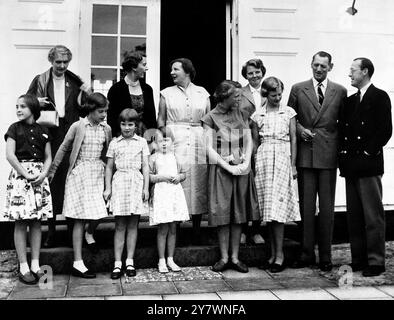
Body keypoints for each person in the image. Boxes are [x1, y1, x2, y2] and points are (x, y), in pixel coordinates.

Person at [27, 45, 92, 248]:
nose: (62, 66)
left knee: (71, 178)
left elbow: (84, 109)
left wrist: (86, 94)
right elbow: (26, 103)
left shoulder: (74, 81)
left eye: (65, 62)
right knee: (52, 179)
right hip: (49, 134)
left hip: (70, 132)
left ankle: (74, 229)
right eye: (58, 62)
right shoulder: (41, 80)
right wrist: (37, 101)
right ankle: (52, 230)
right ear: (51, 61)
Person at [288, 51, 347, 271]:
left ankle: (325, 256)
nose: (319, 69)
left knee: (327, 207)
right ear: (310, 65)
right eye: (315, 65)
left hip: (329, 154)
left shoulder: (340, 91)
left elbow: (344, 123)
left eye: (323, 66)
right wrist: (301, 129)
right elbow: (290, 118)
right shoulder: (298, 88)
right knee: (306, 205)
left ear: (330, 67)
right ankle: (306, 253)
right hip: (305, 154)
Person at [48, 93, 112, 279]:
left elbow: (109, 154)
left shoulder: (106, 129)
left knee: (101, 211)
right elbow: (63, 147)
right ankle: (78, 262)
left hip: (98, 173)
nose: (104, 115)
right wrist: (53, 170)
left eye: (105, 111)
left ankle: (90, 233)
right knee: (79, 218)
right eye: (100, 111)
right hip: (79, 173)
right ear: (90, 110)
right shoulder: (78, 126)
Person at [338, 58, 392, 277]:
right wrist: (343, 156)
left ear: (365, 72)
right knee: (354, 216)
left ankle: (376, 261)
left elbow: (385, 130)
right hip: (351, 165)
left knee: (372, 216)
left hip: (368, 165)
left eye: (353, 71)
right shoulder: (350, 102)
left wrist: (369, 152)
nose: (349, 75)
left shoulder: (379, 97)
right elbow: (343, 132)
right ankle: (358, 259)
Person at [201, 80, 260, 273]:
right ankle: (224, 257)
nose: (239, 99)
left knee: (238, 215)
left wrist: (246, 163)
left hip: (241, 169)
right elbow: (209, 148)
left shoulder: (241, 113)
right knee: (223, 215)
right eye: (236, 96)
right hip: (221, 171)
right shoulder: (210, 117)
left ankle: (235, 257)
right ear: (224, 97)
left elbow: (249, 140)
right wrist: (228, 167)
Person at [157, 58, 210, 245]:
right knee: (177, 182)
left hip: (198, 141)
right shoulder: (166, 93)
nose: (171, 73)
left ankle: (197, 229)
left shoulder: (202, 93)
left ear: (187, 71)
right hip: (175, 141)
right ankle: (175, 230)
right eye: (171, 69)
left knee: (198, 183)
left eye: (175, 69)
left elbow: (207, 122)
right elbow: (161, 121)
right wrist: (167, 144)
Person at [251, 77, 300, 273]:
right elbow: (255, 144)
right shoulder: (257, 115)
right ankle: (271, 255)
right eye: (274, 95)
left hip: (281, 158)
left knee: (278, 210)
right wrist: (255, 165)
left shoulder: (288, 112)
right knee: (268, 212)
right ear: (265, 94)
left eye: (280, 94)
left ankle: (280, 256)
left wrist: (293, 165)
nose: (278, 97)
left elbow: (294, 139)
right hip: (264, 160)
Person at [2, 94, 53, 284]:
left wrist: (43, 174)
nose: (18, 109)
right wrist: (25, 173)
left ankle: (35, 264)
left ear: (33, 108)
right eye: (16, 106)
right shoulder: (14, 129)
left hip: (39, 177)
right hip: (21, 178)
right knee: (21, 222)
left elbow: (48, 156)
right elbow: (10, 155)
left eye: (22, 106)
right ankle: (23, 266)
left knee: (37, 222)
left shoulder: (44, 130)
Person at [103, 108, 150, 279]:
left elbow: (145, 166)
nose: (127, 128)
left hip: (136, 183)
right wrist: (108, 188)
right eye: (123, 124)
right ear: (119, 125)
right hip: (120, 183)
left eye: (130, 124)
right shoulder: (115, 143)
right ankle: (117, 263)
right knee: (120, 225)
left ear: (136, 125)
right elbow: (109, 167)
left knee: (133, 225)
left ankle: (129, 261)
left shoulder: (142, 142)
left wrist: (145, 188)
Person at [149, 130, 190, 273]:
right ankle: (161, 260)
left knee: (173, 228)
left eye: (167, 140)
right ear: (155, 143)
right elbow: (149, 177)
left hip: (174, 194)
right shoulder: (153, 158)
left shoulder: (176, 157)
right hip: (161, 194)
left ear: (172, 142)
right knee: (163, 228)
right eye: (160, 141)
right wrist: (161, 177)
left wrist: (179, 177)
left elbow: (184, 174)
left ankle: (170, 258)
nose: (164, 144)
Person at [239, 58, 267, 245]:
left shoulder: (269, 91)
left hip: (265, 144)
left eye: (257, 72)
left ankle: (256, 229)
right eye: (250, 73)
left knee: (259, 187)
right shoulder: (240, 93)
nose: (254, 76)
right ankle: (242, 230)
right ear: (246, 75)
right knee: (244, 187)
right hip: (246, 143)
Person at [107, 50, 157, 139]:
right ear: (134, 67)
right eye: (144, 65)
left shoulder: (147, 89)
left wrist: (153, 138)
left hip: (144, 138)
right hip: (122, 138)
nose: (147, 68)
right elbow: (111, 118)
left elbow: (151, 118)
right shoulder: (116, 89)